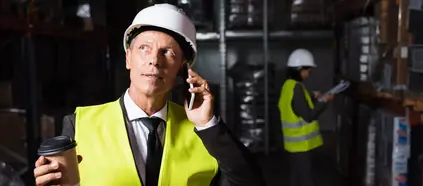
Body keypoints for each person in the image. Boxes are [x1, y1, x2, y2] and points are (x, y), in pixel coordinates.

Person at [32, 4, 265, 186]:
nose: (155, 60)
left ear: (183, 69)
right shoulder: (80, 125)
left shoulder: (205, 133)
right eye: (144, 48)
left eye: (168, 52)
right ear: (128, 59)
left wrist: (207, 124)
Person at [277, 48, 334, 186]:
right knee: (305, 180)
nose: (309, 74)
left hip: (294, 145)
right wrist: (324, 101)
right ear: (300, 69)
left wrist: (313, 97)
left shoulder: (288, 86)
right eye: (308, 70)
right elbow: (309, 115)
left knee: (297, 178)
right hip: (301, 145)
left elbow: (298, 108)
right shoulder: (296, 88)